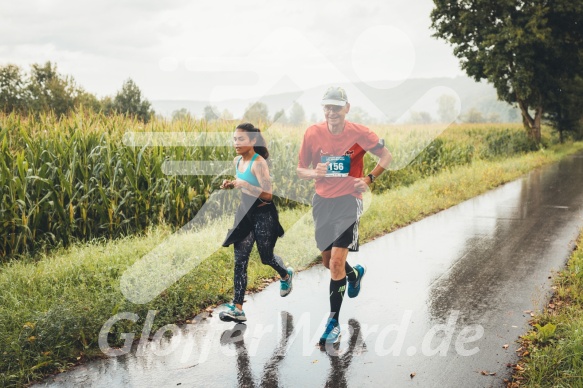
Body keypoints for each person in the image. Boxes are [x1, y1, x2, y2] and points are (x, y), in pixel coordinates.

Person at [297, 87, 392, 346]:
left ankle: (333, 324)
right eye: (327, 107)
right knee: (328, 263)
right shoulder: (312, 133)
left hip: (348, 203)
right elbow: (300, 170)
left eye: (337, 107)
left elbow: (386, 155)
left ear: (346, 108)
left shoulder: (360, 133)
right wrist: (314, 173)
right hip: (322, 203)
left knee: (336, 264)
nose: (331, 112)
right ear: (323, 108)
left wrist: (369, 178)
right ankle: (354, 275)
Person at [219, 123, 294, 323]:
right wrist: (232, 184)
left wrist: (244, 184)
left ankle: (285, 275)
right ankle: (237, 308)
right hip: (245, 214)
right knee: (240, 261)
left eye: (241, 139)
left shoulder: (259, 162)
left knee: (266, 257)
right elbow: (243, 184)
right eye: (234, 139)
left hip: (263, 214)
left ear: (252, 141)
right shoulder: (237, 161)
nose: (236, 143)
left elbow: (268, 195)